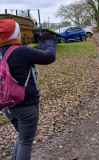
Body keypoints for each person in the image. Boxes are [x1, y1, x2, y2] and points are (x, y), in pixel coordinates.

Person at [0, 19, 56, 159]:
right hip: (26, 105)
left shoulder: (3, 52)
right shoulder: (20, 52)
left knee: (22, 137)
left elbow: (34, 53)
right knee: (25, 141)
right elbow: (49, 56)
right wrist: (48, 41)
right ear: (15, 34)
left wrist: (40, 43)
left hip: (7, 105)